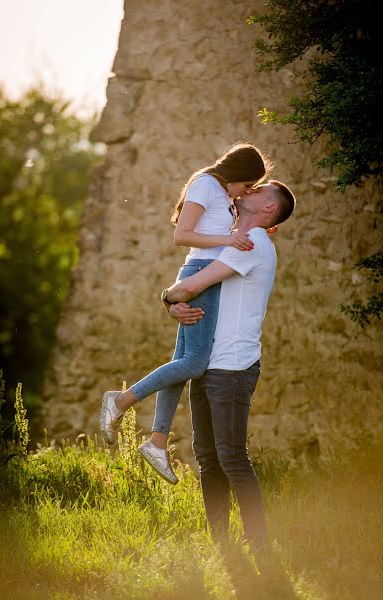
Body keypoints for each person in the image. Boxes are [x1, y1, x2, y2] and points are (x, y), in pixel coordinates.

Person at [100, 142, 271, 482]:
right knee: (194, 363)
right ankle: (119, 401)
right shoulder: (205, 184)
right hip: (198, 273)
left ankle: (157, 442)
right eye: (248, 184)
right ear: (237, 174)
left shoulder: (222, 194)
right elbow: (182, 235)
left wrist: (244, 230)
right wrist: (230, 239)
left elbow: (224, 231)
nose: (247, 192)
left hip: (207, 274)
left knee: (181, 361)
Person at [161, 180, 296, 548]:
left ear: (269, 208)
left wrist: (168, 297)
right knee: (207, 458)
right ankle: (221, 543)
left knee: (232, 458)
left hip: (232, 367)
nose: (249, 189)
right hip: (208, 363)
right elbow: (195, 291)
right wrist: (177, 304)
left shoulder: (252, 244)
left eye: (259, 190)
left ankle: (260, 547)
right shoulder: (233, 244)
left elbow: (188, 287)